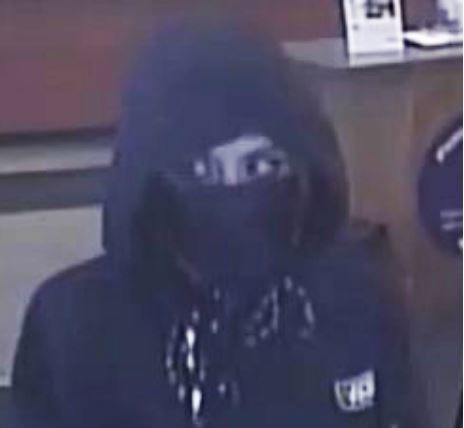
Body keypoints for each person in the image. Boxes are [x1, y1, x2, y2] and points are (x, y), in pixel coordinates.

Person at [11, 14, 415, 428]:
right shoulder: (74, 328)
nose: (234, 194)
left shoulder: (356, 298)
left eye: (260, 166)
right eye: (199, 171)